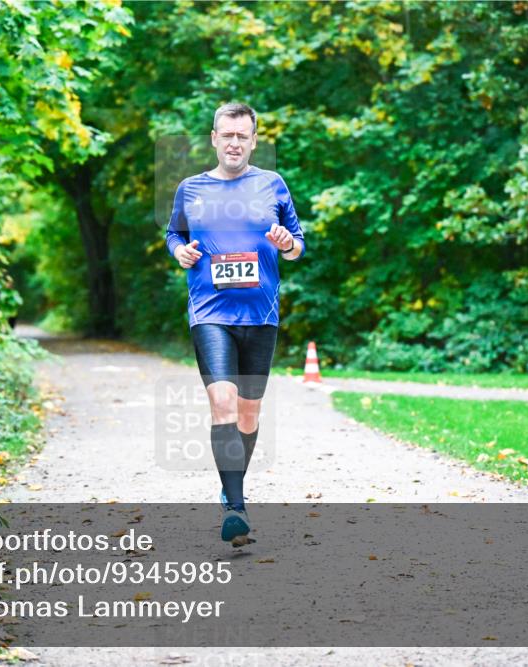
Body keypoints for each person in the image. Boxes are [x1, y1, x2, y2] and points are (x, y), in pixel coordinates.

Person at [165, 102, 305, 542]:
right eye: (227, 135)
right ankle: (237, 507)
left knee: (248, 414)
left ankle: (232, 490)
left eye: (243, 136)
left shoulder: (273, 185)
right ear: (214, 138)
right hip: (210, 312)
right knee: (222, 403)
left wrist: (286, 243)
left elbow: (297, 244)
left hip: (261, 315)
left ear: (254, 140)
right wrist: (179, 252)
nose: (234, 143)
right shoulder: (191, 189)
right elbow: (174, 233)